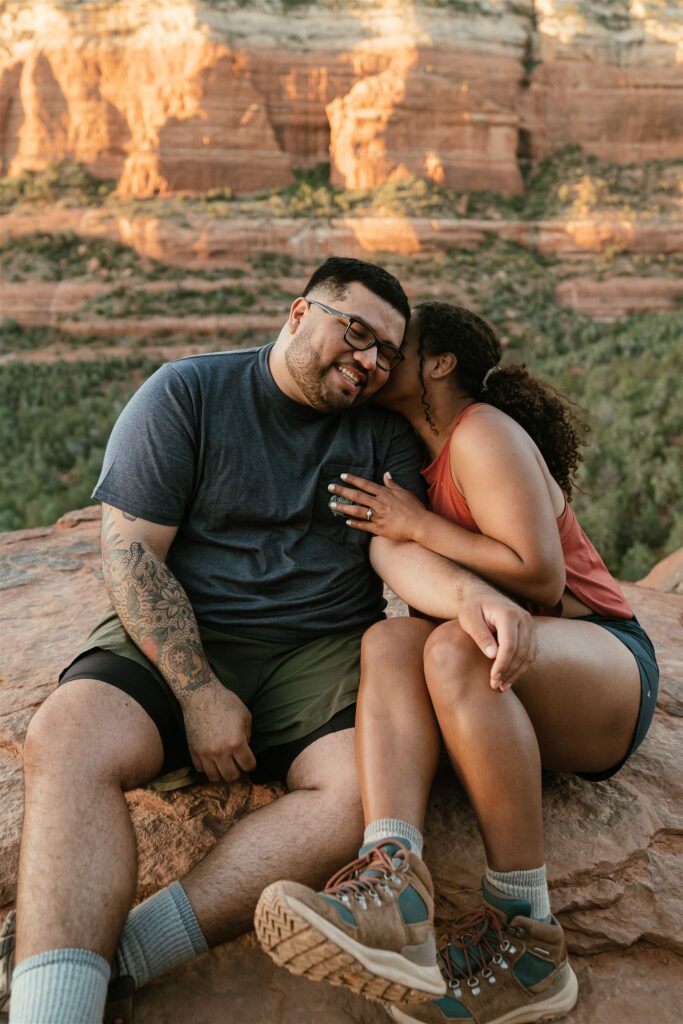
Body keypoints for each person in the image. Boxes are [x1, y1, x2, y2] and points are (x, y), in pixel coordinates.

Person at [2, 270, 537, 1024]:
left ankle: (116, 960)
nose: (370, 361)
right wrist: (197, 691)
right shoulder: (186, 392)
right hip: (185, 628)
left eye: (387, 351)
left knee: (357, 797)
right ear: (298, 313)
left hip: (317, 652)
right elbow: (131, 555)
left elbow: (394, 550)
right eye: (355, 331)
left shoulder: (378, 432)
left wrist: (470, 596)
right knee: (68, 733)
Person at [254, 301, 660, 1024]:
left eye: (395, 348)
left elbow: (539, 578)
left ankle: (528, 941)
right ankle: (395, 892)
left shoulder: (480, 432)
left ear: (438, 363)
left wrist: (416, 524)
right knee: (386, 643)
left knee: (452, 645)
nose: (376, 359)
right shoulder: (414, 453)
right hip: (513, 674)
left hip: (600, 658)